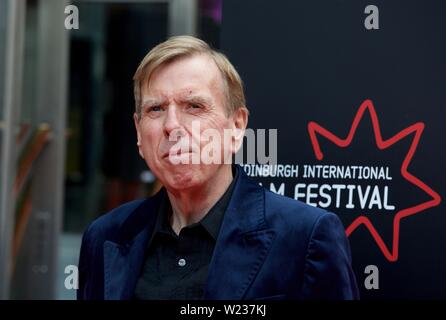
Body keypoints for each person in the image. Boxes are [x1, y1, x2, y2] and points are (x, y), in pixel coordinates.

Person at [77, 36, 359, 300]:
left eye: (194, 106)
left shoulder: (305, 237)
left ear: (236, 127)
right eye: (156, 109)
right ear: (139, 133)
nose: (172, 125)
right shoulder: (104, 237)